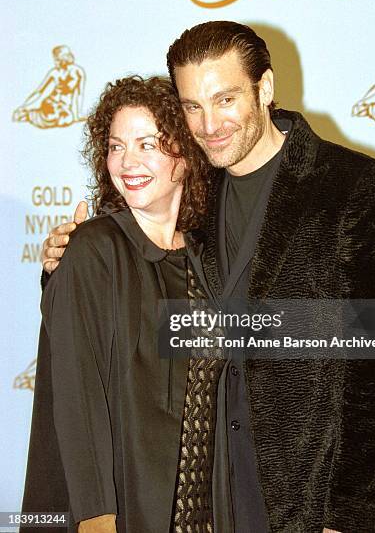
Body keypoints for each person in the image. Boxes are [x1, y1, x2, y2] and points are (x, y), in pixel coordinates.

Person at [43, 22, 375, 533]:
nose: (209, 123)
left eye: (225, 99)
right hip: (216, 496)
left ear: (266, 89)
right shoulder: (193, 192)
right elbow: (139, 304)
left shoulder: (355, 185)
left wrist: (344, 519)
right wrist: (64, 263)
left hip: (312, 501)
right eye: (193, 106)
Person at [22, 75, 224, 533]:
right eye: (116, 146)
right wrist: (97, 518)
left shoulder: (209, 257)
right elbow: (77, 396)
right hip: (122, 514)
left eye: (148, 144)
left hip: (204, 514)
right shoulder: (92, 249)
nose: (127, 161)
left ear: (188, 154)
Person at [13, 45, 86, 129]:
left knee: (66, 120)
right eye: (55, 59)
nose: (56, 62)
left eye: (58, 59)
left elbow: (79, 94)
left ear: (65, 57)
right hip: (50, 103)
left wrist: (78, 114)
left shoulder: (78, 72)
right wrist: (24, 106)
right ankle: (29, 114)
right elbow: (38, 91)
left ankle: (30, 115)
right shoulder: (54, 72)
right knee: (55, 115)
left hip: (63, 107)